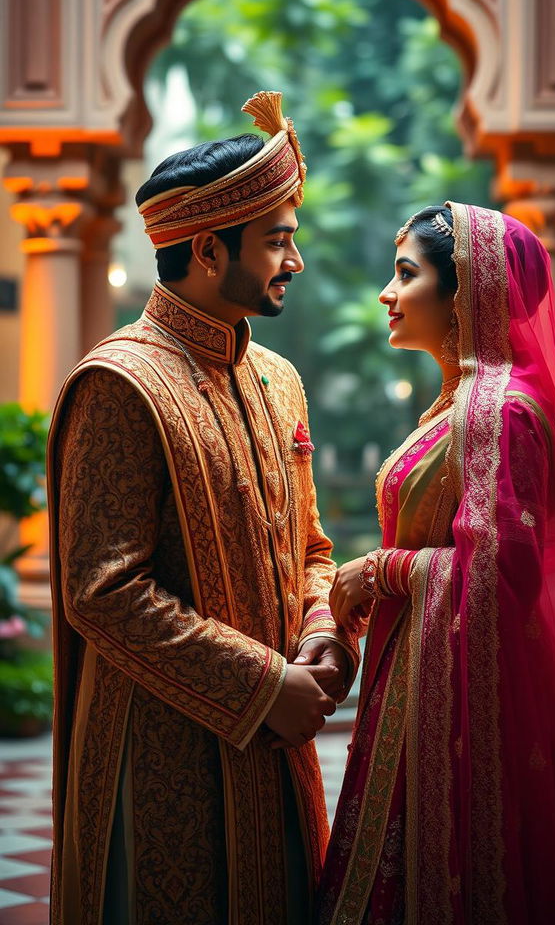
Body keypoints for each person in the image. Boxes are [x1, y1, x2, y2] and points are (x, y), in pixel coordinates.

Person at [47, 91, 359, 925]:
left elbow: (312, 546)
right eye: (278, 241)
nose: (294, 261)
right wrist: (264, 686)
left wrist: (322, 634)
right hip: (163, 754)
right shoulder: (120, 384)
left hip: (277, 749)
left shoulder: (278, 378)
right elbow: (101, 591)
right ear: (210, 250)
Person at [317, 202, 555, 924]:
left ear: (466, 290)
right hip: (421, 679)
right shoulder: (459, 404)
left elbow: (497, 578)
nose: (386, 293)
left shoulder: (502, 411)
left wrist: (380, 572)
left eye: (406, 273)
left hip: (465, 702)